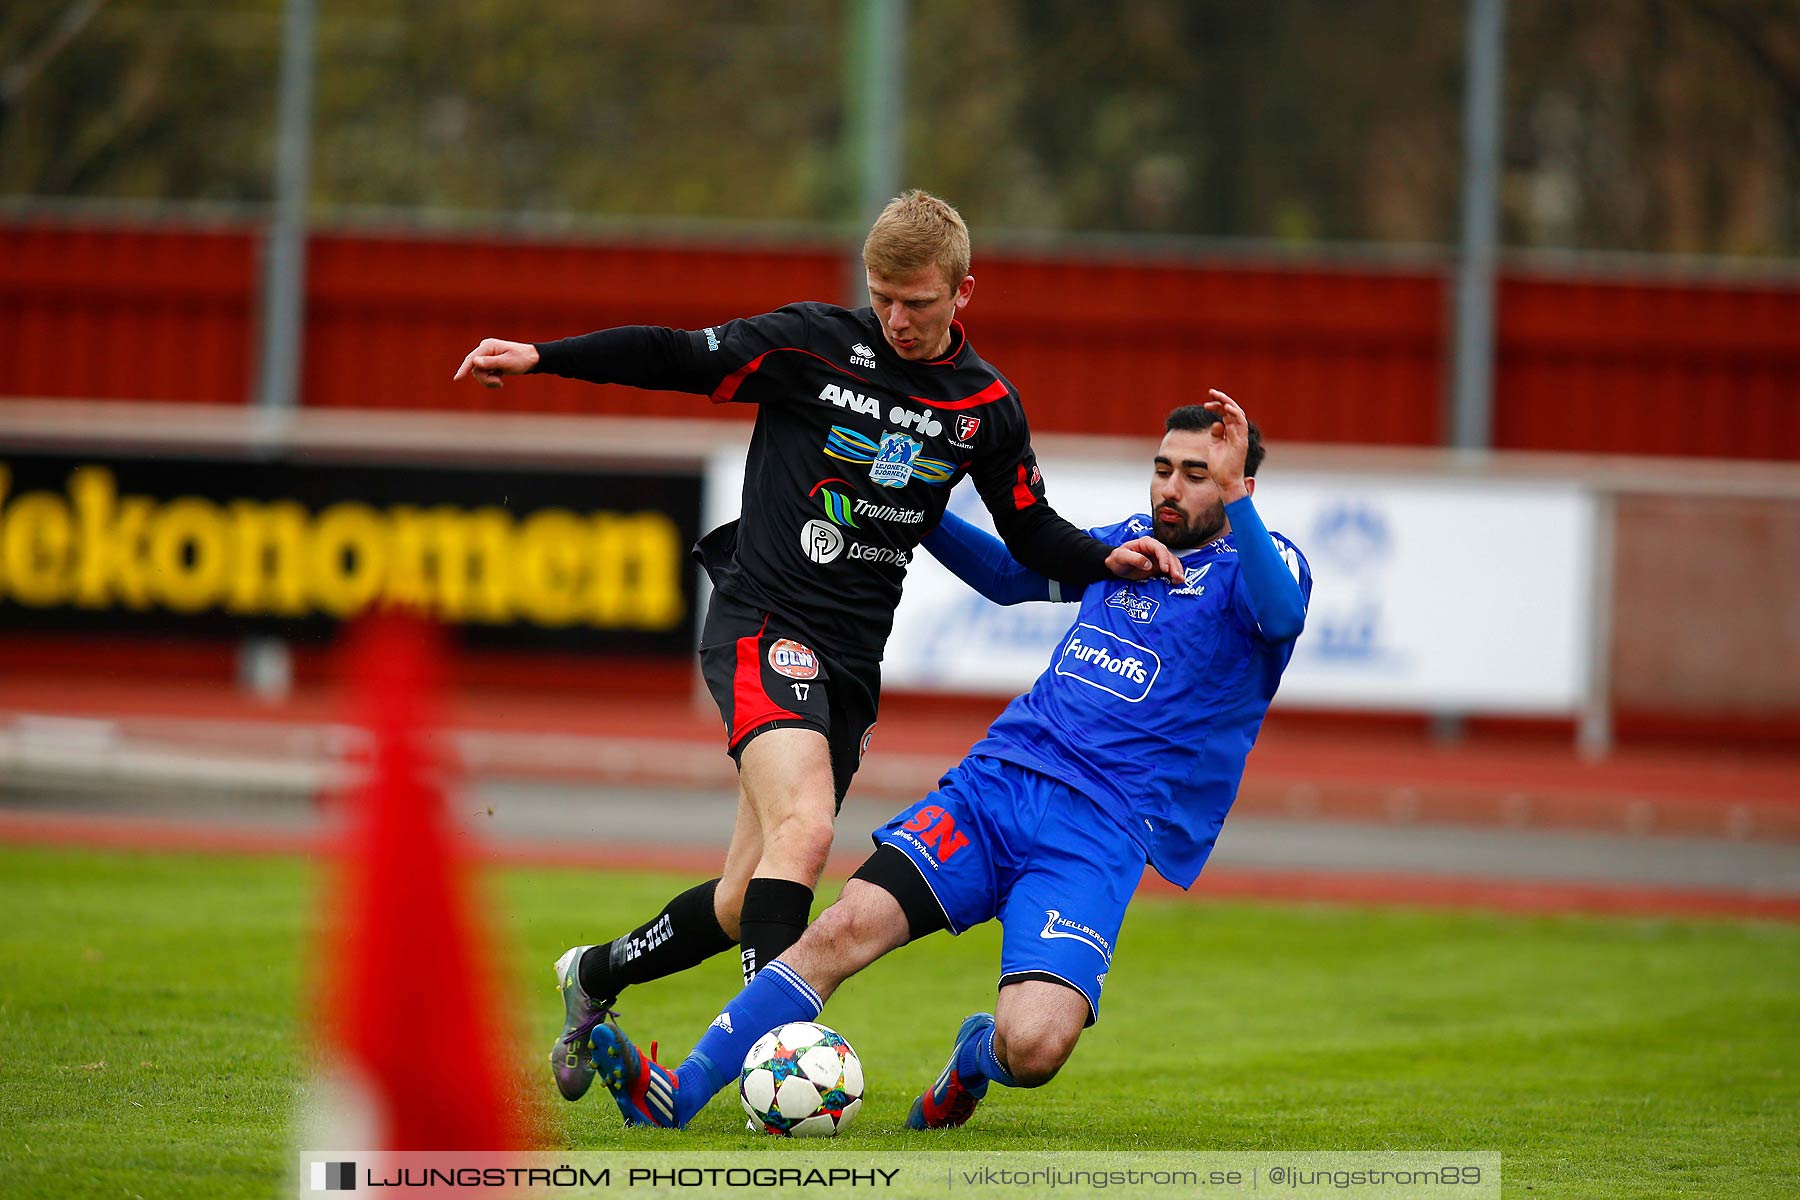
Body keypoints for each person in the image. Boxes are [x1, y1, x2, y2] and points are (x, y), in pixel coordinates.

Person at [451, 190, 1185, 1104]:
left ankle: (594, 975)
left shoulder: (985, 406)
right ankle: (776, 1061)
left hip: (851, 662)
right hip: (764, 621)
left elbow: (1031, 535)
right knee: (804, 832)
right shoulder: (810, 345)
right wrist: (542, 357)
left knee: (739, 897)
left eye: (917, 301)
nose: (897, 318)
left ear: (964, 292)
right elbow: (678, 355)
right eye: (882, 296)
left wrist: (1101, 558)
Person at [583, 391, 1310, 1132]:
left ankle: (973, 1060)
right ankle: (675, 1090)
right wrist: (919, 507)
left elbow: (1281, 617)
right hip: (996, 786)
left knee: (1033, 1047)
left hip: (1100, 831)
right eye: (1164, 468)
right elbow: (1004, 576)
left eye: (1198, 474)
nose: (1170, 487)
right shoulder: (1122, 545)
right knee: (839, 931)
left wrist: (1238, 500)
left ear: (1236, 483)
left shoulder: (1263, 563)